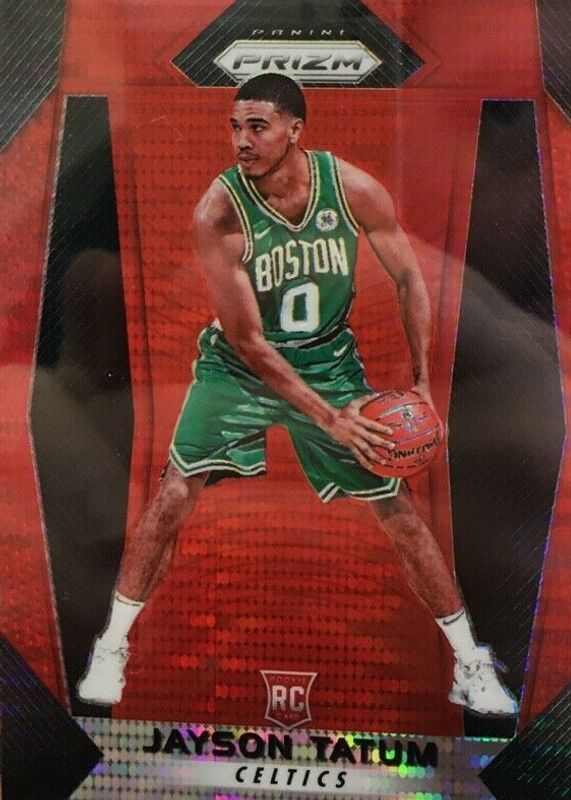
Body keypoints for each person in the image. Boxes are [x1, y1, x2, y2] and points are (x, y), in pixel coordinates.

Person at [78, 73, 518, 717]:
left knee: (398, 511)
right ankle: (112, 647)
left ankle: (469, 663)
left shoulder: (353, 189)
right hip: (238, 369)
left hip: (328, 363)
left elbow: (408, 279)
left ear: (294, 130)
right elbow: (251, 343)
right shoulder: (218, 212)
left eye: (256, 127)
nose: (241, 141)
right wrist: (330, 419)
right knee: (173, 494)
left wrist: (424, 382)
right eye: (235, 126)